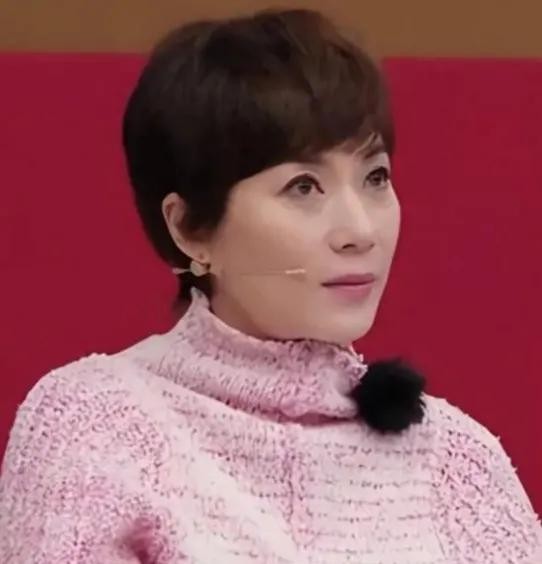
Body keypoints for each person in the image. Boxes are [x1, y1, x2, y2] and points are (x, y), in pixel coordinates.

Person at [0, 8, 540, 564]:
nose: (360, 231)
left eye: (376, 177)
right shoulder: (96, 424)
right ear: (189, 230)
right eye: (303, 187)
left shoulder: (456, 460)